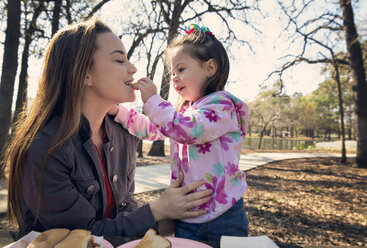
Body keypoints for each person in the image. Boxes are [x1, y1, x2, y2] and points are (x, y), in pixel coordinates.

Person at [2, 19, 213, 239]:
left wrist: (163, 222)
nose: (132, 68)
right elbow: (85, 237)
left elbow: (124, 206)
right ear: (85, 74)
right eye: (119, 60)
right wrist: (157, 211)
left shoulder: (123, 133)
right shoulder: (44, 149)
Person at [112, 24, 249, 243]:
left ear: (210, 68)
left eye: (182, 70)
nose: (174, 78)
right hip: (187, 214)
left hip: (223, 214)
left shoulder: (221, 106)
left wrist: (154, 101)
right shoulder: (184, 113)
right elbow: (155, 129)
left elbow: (190, 130)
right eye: (173, 72)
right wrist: (119, 112)